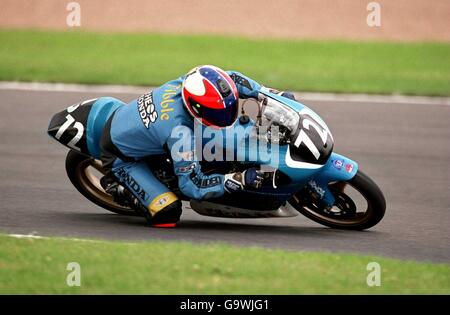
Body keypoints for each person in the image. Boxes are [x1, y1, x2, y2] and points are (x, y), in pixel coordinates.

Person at [99, 65, 271, 227]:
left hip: (133, 125)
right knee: (167, 213)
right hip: (121, 157)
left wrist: (266, 93)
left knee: (220, 144)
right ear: (195, 107)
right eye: (216, 112)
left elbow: (232, 78)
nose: (227, 116)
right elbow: (192, 185)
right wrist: (236, 179)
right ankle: (120, 189)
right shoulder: (179, 133)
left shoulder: (190, 82)